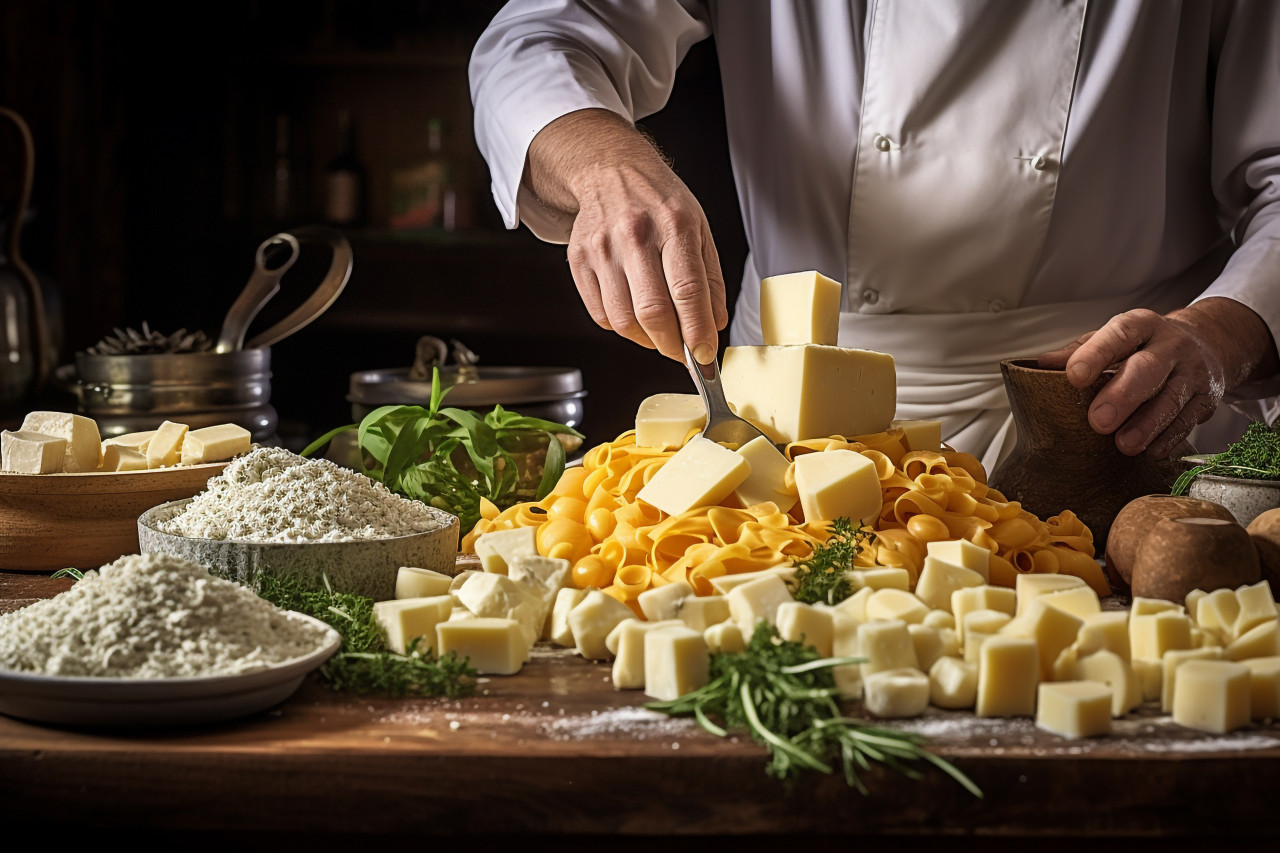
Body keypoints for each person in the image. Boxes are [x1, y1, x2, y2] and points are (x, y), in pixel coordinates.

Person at [468, 0, 1280, 470]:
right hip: (775, 432)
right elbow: (536, 38)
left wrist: (1222, 334)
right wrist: (605, 164)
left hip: (1111, 425)